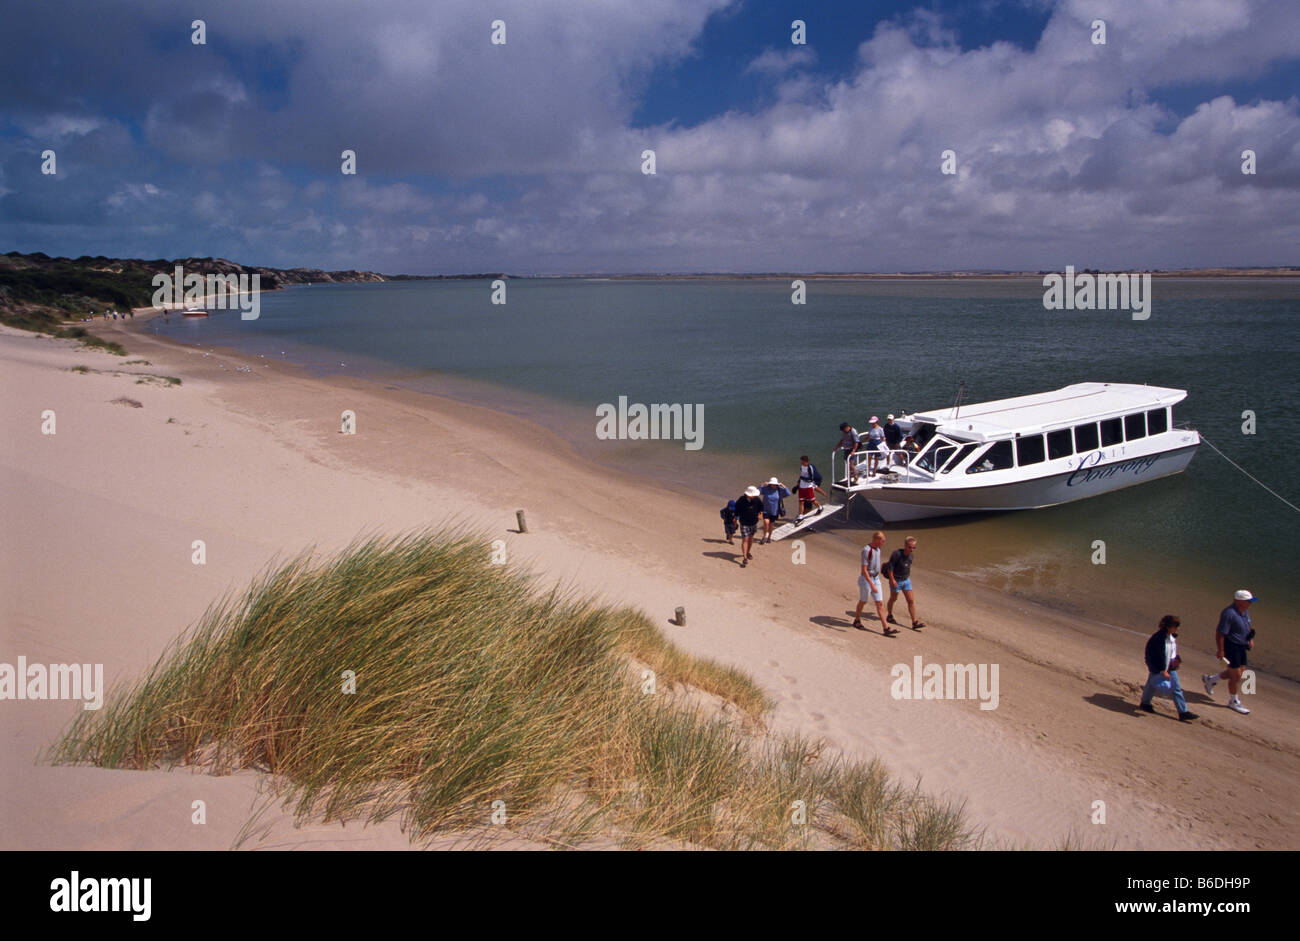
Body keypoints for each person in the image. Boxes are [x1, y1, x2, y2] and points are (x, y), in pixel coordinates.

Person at [1203, 590, 1257, 715]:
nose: (1250, 603)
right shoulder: (1229, 614)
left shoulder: (1245, 611)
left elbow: (1247, 626)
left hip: (1242, 646)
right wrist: (1221, 650)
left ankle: (1210, 680)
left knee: (1239, 672)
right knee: (1236, 676)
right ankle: (1233, 701)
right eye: (1248, 601)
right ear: (1239, 601)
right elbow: (1220, 633)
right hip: (1231, 646)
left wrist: (1250, 639)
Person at [1140, 615, 1198, 721]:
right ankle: (1145, 704)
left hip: (1167, 667)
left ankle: (1182, 712)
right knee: (1156, 685)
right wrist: (1162, 670)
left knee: (1159, 685)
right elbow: (1158, 655)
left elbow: (1171, 653)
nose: (1177, 628)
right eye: (1176, 626)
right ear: (1169, 626)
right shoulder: (1159, 638)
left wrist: (1175, 661)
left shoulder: (1171, 637)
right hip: (1159, 667)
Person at [853, 531, 896, 634]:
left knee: (880, 603)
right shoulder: (867, 550)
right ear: (876, 540)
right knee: (863, 601)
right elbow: (864, 570)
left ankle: (886, 628)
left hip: (876, 578)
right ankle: (857, 619)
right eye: (882, 540)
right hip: (866, 579)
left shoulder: (878, 549)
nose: (884, 542)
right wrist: (871, 584)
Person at [884, 536, 926, 630]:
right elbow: (890, 568)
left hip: (906, 580)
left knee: (911, 600)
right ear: (905, 546)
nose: (911, 550)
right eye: (910, 547)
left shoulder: (911, 556)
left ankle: (914, 622)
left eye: (914, 548)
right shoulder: (896, 554)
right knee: (893, 598)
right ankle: (889, 615)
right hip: (896, 580)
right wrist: (893, 580)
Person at [734, 486, 763, 566]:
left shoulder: (757, 499)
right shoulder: (741, 500)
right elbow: (736, 511)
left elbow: (761, 508)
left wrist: (761, 514)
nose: (754, 496)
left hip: (754, 523)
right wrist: (735, 521)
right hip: (744, 523)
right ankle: (745, 557)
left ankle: (748, 552)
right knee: (745, 540)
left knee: (751, 539)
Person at [759, 477, 791, 544]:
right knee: (766, 522)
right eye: (772, 484)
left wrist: (783, 486)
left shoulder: (780, 490)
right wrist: (761, 485)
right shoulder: (766, 489)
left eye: (775, 484)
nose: (774, 486)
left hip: (774, 510)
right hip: (765, 509)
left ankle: (769, 537)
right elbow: (757, 492)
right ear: (770, 484)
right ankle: (764, 537)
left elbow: (788, 493)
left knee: (771, 524)